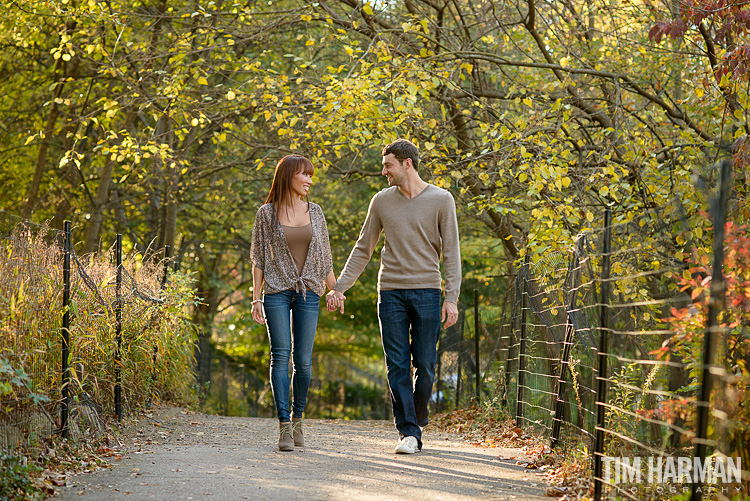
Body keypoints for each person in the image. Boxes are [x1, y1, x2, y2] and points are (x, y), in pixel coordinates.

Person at [326, 139, 461, 454]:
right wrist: (340, 287)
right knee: (397, 364)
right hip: (390, 293)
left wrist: (451, 296)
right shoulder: (381, 201)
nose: (383, 171)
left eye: (388, 165)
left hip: (428, 290)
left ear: (407, 164)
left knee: (426, 365)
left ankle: (416, 415)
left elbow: (452, 253)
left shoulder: (442, 200)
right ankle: (409, 432)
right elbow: (364, 248)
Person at [250, 154, 341, 451]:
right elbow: (259, 260)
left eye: (311, 175)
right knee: (281, 354)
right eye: (305, 175)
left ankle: (299, 418)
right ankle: (284, 426)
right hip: (276, 291)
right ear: (289, 176)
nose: (310, 181)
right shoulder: (266, 214)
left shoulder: (316, 212)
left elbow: (325, 259)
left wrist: (336, 291)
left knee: (303, 361)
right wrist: (255, 298)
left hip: (309, 292)